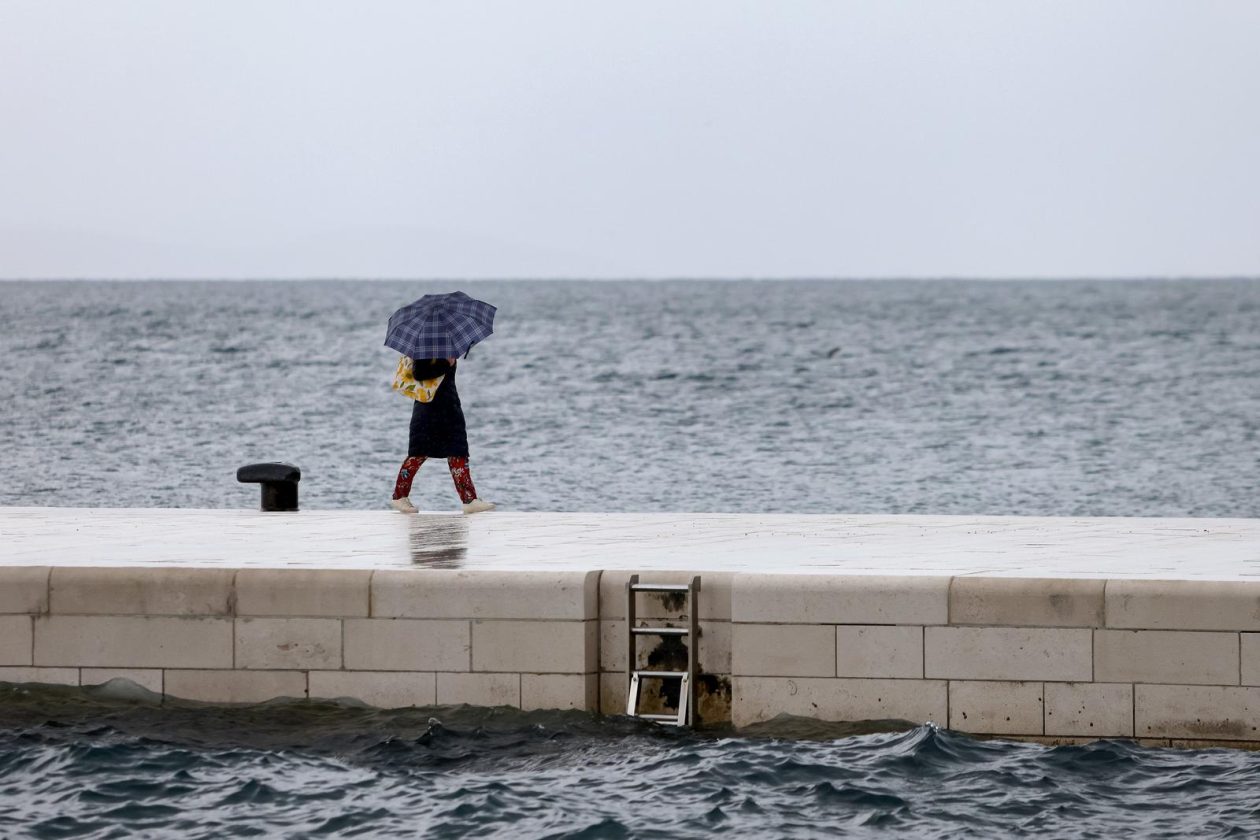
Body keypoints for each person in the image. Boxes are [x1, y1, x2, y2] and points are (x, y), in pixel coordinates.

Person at [390, 356, 495, 514]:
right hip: (428, 411)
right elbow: (419, 373)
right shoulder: (426, 346)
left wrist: (449, 361)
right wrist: (446, 363)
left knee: (458, 452)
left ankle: (469, 499)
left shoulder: (445, 346)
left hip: (449, 407)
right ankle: (399, 496)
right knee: (418, 453)